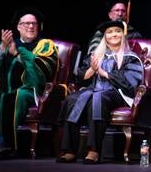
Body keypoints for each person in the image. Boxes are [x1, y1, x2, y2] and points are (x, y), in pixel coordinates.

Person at [0, 7, 58, 159]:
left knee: (12, 98)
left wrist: (17, 54)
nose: (31, 26)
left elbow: (41, 70)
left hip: (27, 89)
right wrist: (2, 48)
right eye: (26, 23)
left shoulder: (44, 45)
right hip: (0, 89)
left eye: (34, 23)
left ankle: (4, 146)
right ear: (18, 27)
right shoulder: (7, 43)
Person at [56, 20, 143, 164]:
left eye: (117, 31)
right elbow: (79, 77)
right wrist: (91, 70)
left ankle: (93, 150)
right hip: (94, 89)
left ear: (123, 35)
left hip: (118, 93)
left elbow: (130, 84)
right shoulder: (96, 55)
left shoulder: (130, 58)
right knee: (72, 99)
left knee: (99, 98)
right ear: (104, 37)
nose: (114, 34)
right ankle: (70, 150)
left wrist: (104, 73)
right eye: (109, 32)